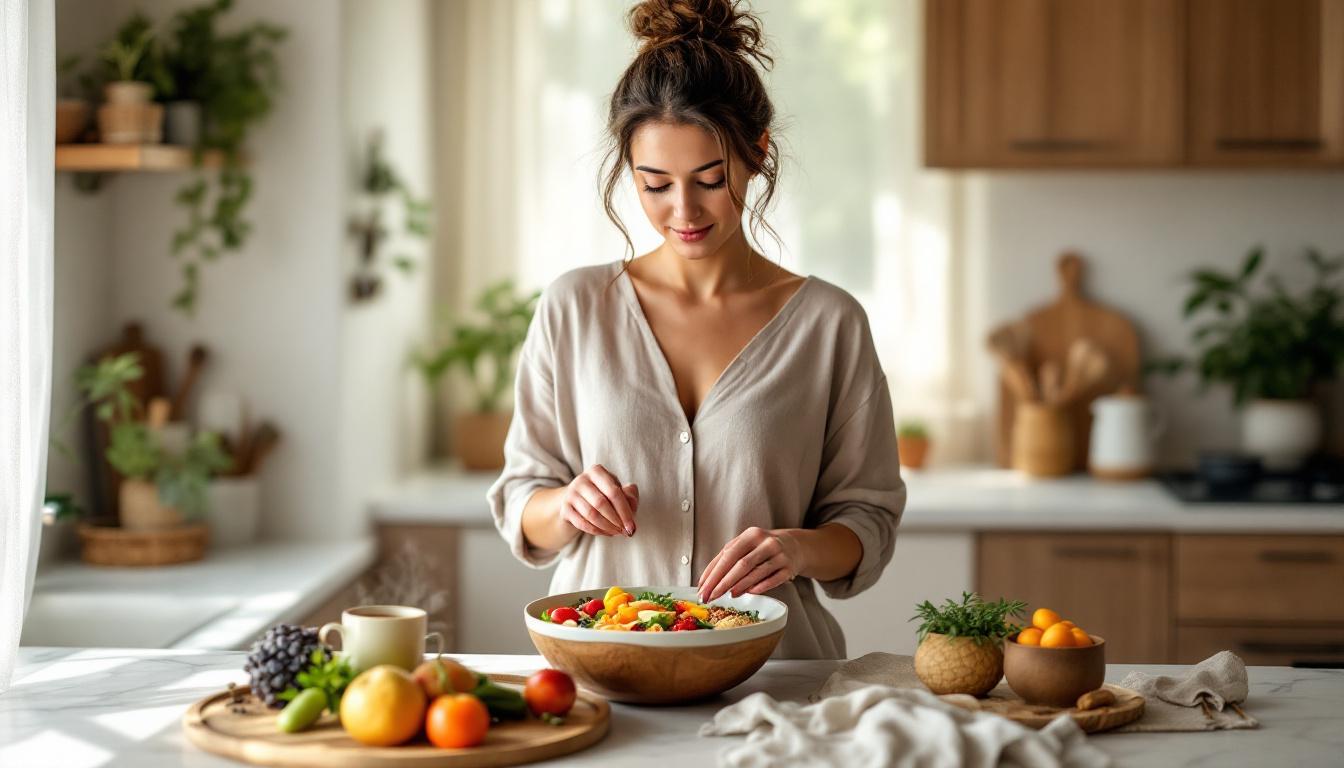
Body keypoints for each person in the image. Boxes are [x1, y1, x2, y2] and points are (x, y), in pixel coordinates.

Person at [487, 0, 905, 659]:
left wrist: (795, 549)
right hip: (606, 673)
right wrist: (567, 504)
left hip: (776, 680)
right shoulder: (574, 308)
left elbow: (868, 521)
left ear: (756, 153)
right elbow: (522, 504)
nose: (683, 211)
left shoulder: (829, 325)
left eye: (709, 179)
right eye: (655, 185)